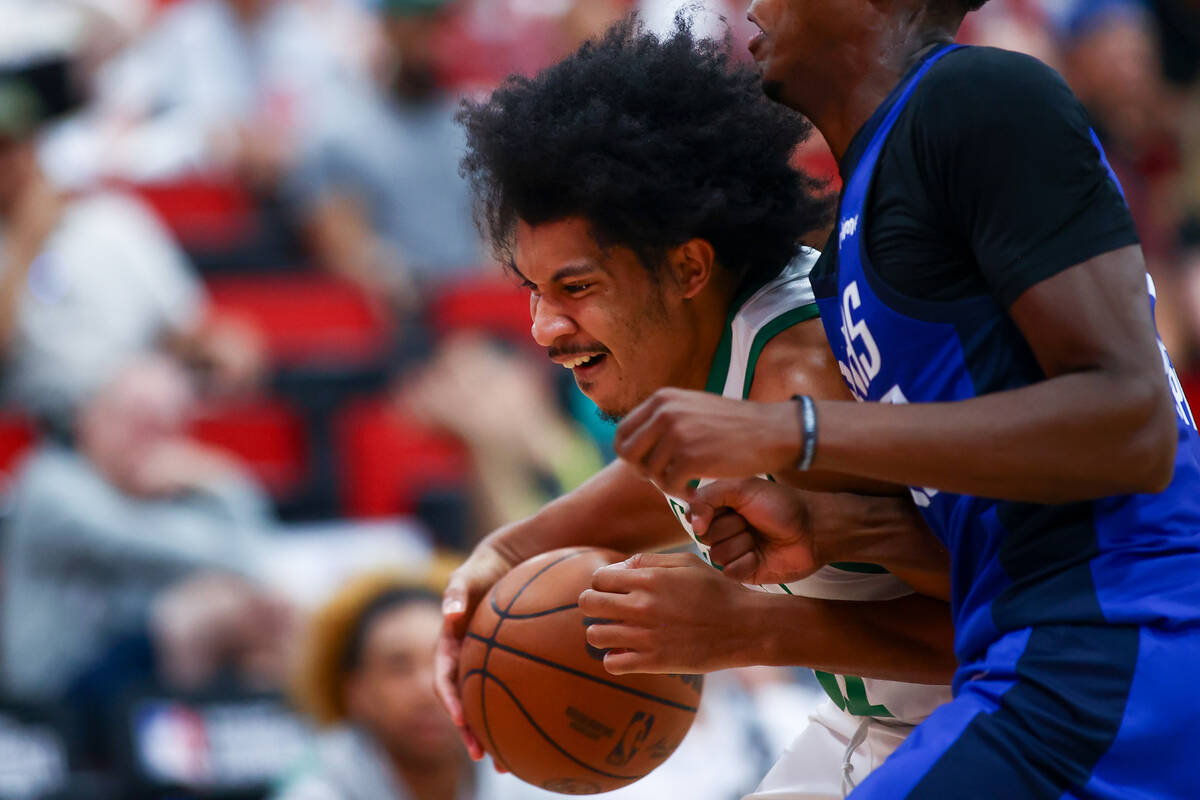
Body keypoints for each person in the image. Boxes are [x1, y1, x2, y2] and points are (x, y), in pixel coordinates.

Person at [607, 0, 1200, 796]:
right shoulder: (852, 236)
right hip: (1025, 646)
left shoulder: (979, 97)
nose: (748, 5)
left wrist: (795, 432)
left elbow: (1131, 427)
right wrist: (833, 523)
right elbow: (985, 483)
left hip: (1122, 633)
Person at [439, 19, 957, 799]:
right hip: (876, 725)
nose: (544, 330)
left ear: (687, 266)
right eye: (532, 290)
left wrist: (751, 629)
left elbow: (1023, 625)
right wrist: (508, 554)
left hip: (1001, 720)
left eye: (576, 288)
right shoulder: (705, 339)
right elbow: (656, 482)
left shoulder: (805, 381)